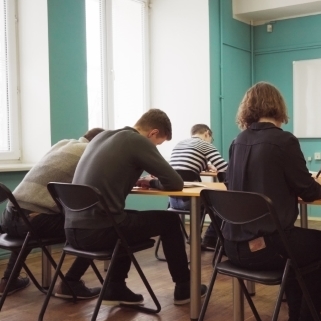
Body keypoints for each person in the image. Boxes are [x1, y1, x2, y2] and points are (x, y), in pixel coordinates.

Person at [223, 82, 321, 321]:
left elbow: (231, 183)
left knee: (299, 248)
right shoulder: (284, 141)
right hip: (267, 248)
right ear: (278, 107)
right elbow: (307, 191)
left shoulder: (237, 141)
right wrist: (316, 187)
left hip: (232, 246)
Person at [65, 109, 206, 306]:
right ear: (153, 133)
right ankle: (185, 287)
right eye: (157, 145)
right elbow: (175, 182)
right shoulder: (136, 140)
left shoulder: (102, 137)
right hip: (99, 231)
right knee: (170, 220)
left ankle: (115, 287)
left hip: (72, 230)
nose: (155, 149)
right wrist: (153, 183)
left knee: (125, 218)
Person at [0, 128, 105, 298]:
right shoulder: (89, 154)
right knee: (94, 229)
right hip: (32, 223)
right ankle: (70, 283)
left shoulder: (63, 144)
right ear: (99, 144)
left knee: (30, 225)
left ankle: (8, 281)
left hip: (8, 218)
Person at [169, 124, 228, 250]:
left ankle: (195, 237)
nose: (210, 141)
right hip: (191, 202)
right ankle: (210, 238)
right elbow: (225, 168)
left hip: (172, 202)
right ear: (207, 133)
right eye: (211, 139)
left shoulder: (180, 144)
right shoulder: (205, 144)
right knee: (224, 202)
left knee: (203, 197)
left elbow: (184, 167)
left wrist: (206, 165)